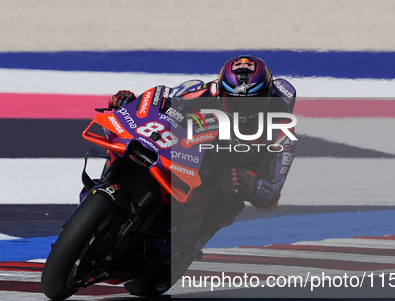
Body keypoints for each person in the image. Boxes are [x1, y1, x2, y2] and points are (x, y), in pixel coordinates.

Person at [108, 55, 297, 229]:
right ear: (220, 90)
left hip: (215, 182)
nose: (242, 110)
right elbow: (161, 103)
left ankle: (182, 246)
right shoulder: (203, 90)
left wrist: (249, 184)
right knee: (131, 142)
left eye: (252, 103)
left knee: (226, 206)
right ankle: (104, 184)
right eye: (233, 102)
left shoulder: (281, 131)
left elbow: (272, 196)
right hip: (179, 154)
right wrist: (131, 104)